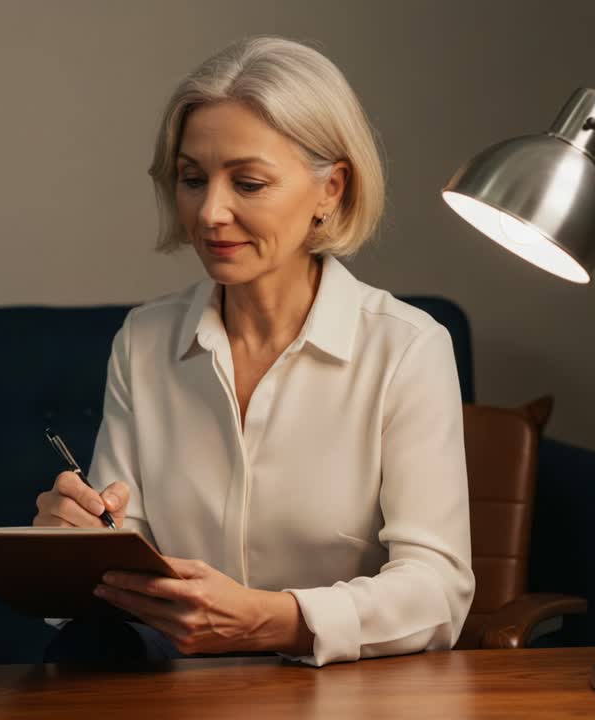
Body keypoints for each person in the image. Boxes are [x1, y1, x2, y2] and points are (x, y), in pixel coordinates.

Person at [34, 36, 474, 666]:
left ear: (332, 189)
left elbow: (439, 592)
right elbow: (121, 553)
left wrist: (276, 621)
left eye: (248, 182)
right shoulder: (144, 341)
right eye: (192, 179)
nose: (210, 211)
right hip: (180, 702)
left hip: (350, 700)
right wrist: (68, 552)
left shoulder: (407, 348)